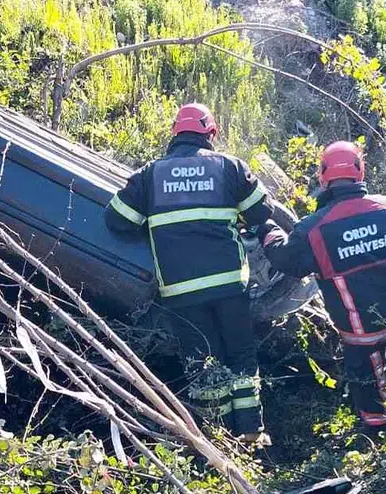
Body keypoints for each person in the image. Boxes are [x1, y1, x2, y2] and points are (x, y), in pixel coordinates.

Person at [103, 103, 284, 446]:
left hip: (181, 290)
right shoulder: (229, 167)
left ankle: (216, 440)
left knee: (203, 361)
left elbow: (116, 221)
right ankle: (250, 431)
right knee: (240, 353)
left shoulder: (150, 175)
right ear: (211, 133)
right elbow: (262, 211)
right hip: (230, 282)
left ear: (175, 134)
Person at [263, 141, 386, 430]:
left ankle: (378, 428)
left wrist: (269, 231)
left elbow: (288, 262)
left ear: (324, 176)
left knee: (365, 372)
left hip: (361, 327)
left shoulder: (314, 228)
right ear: (360, 172)